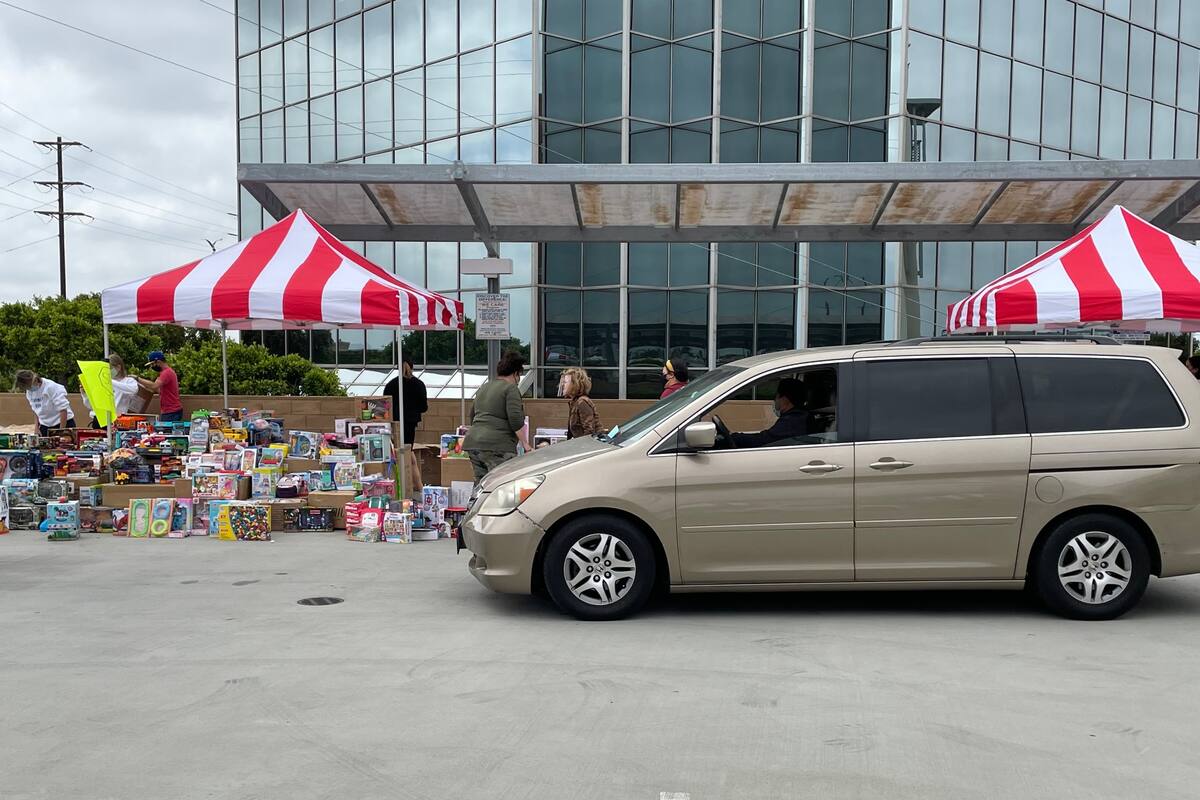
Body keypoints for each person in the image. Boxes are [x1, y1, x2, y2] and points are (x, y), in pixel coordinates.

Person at [463, 351, 532, 483]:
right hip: (498, 446)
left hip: (473, 443)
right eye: (520, 375)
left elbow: (472, 415)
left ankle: (474, 504)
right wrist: (525, 444)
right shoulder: (511, 389)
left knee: (481, 484)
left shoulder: (484, 387)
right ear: (516, 373)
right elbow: (515, 419)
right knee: (501, 484)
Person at [383, 355, 428, 496]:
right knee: (408, 454)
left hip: (393, 425)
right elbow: (424, 407)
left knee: (393, 454)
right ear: (412, 366)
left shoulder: (391, 384)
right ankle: (419, 487)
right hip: (410, 424)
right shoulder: (418, 384)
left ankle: (398, 486)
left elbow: (385, 406)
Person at [728, 378, 814, 448]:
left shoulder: (793, 421)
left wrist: (734, 437)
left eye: (776, 396)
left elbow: (763, 440)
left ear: (784, 399)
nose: (775, 401)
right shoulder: (799, 417)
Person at [82, 355, 141, 427]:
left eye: (109, 369)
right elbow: (91, 405)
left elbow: (134, 389)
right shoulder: (101, 382)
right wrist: (85, 395)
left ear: (118, 367)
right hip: (99, 419)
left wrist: (111, 382)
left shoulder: (128, 381)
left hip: (118, 420)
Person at [13, 370, 75, 435]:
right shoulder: (29, 392)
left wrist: (61, 431)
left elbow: (63, 410)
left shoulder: (50, 387)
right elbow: (36, 410)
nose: (29, 389)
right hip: (45, 425)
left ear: (34, 380)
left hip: (63, 423)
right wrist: (36, 427)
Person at [135, 350, 183, 422]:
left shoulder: (166, 373)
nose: (152, 367)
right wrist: (146, 386)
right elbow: (159, 390)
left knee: (165, 432)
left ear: (158, 361)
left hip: (171, 412)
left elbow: (154, 386)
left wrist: (137, 379)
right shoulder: (167, 372)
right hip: (171, 411)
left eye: (152, 364)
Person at [561, 366, 601, 439]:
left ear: (575, 384)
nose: (563, 385)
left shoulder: (582, 402)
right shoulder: (574, 402)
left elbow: (589, 432)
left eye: (565, 382)